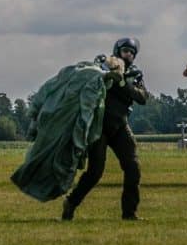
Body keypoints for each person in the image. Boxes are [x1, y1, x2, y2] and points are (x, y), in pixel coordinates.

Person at [62, 37, 149, 221]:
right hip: (99, 126)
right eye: (126, 50)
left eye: (132, 53)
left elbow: (142, 97)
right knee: (95, 172)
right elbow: (91, 80)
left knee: (133, 167)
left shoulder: (134, 73)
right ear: (118, 50)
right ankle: (71, 202)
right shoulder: (104, 64)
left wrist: (123, 84)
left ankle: (129, 213)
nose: (129, 55)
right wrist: (110, 75)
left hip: (120, 124)